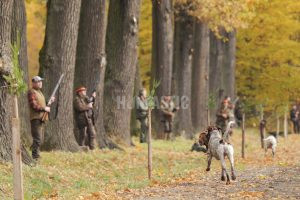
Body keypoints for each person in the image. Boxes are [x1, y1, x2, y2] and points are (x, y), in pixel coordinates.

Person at [28, 76, 55, 160]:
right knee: (38, 138)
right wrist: (44, 109)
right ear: (34, 83)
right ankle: (35, 156)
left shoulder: (39, 92)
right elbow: (34, 105)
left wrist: (49, 102)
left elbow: (42, 104)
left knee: (40, 139)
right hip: (36, 118)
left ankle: (35, 153)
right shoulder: (32, 92)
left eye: (40, 81)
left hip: (41, 119)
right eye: (38, 82)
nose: (40, 83)